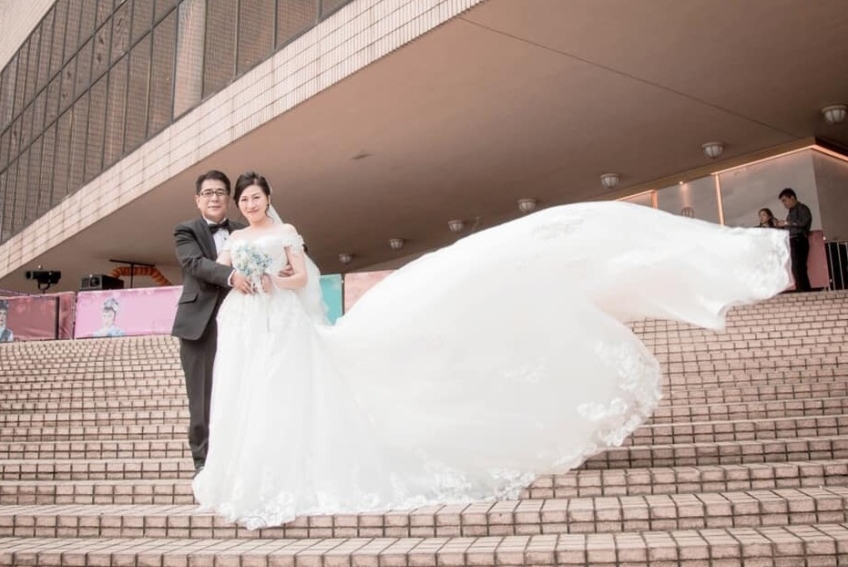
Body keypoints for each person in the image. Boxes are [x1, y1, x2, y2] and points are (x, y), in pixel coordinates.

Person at [193, 172, 792, 529]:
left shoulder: (285, 235)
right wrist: (243, 278)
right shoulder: (233, 241)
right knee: (254, 399)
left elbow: (301, 278)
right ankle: (250, 473)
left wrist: (275, 279)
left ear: (268, 198)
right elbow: (221, 274)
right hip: (248, 329)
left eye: (255, 197)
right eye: (243, 200)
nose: (249, 205)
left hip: (283, 324)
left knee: (294, 392)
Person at [172, 170, 251, 475]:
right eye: (208, 193)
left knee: (241, 389)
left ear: (229, 199)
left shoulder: (245, 231)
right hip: (199, 324)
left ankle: (239, 457)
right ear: (198, 200)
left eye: (220, 192)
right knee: (202, 396)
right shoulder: (185, 230)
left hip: (242, 321)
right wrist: (232, 276)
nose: (214, 198)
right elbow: (194, 263)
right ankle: (203, 463)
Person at [776, 188, 813, 291]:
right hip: (793, 240)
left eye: (785, 200)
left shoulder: (802, 208)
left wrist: (787, 223)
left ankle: (804, 290)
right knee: (796, 268)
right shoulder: (791, 212)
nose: (784, 204)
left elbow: (803, 222)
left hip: (799, 240)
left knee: (799, 267)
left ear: (792, 198)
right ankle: (801, 289)